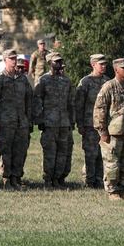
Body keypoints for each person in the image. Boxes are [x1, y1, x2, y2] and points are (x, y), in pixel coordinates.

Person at [93, 58, 124, 201]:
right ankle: (112, 191)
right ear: (116, 70)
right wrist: (102, 132)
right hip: (114, 133)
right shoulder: (108, 87)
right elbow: (99, 111)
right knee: (112, 163)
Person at [0, 48, 33, 191]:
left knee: (20, 151)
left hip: (21, 122)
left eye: (15, 58)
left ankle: (16, 178)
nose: (14, 61)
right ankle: (6, 179)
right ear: (5, 60)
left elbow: (29, 99)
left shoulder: (22, 78)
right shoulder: (0, 79)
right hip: (6, 122)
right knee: (6, 151)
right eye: (11, 59)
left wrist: (28, 119)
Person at [32, 52, 76, 190]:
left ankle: (58, 179)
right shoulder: (43, 80)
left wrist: (72, 121)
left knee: (62, 152)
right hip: (49, 123)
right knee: (50, 153)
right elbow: (37, 100)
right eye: (56, 61)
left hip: (64, 122)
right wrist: (40, 119)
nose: (59, 63)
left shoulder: (66, 80)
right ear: (49, 63)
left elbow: (70, 102)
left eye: (60, 61)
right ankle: (48, 180)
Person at [75, 54, 109, 189]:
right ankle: (89, 180)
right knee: (90, 153)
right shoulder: (86, 82)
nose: (104, 66)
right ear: (93, 65)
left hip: (104, 125)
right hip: (89, 124)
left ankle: (99, 179)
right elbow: (79, 105)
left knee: (102, 153)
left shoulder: (108, 82)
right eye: (101, 64)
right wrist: (80, 124)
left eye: (105, 64)